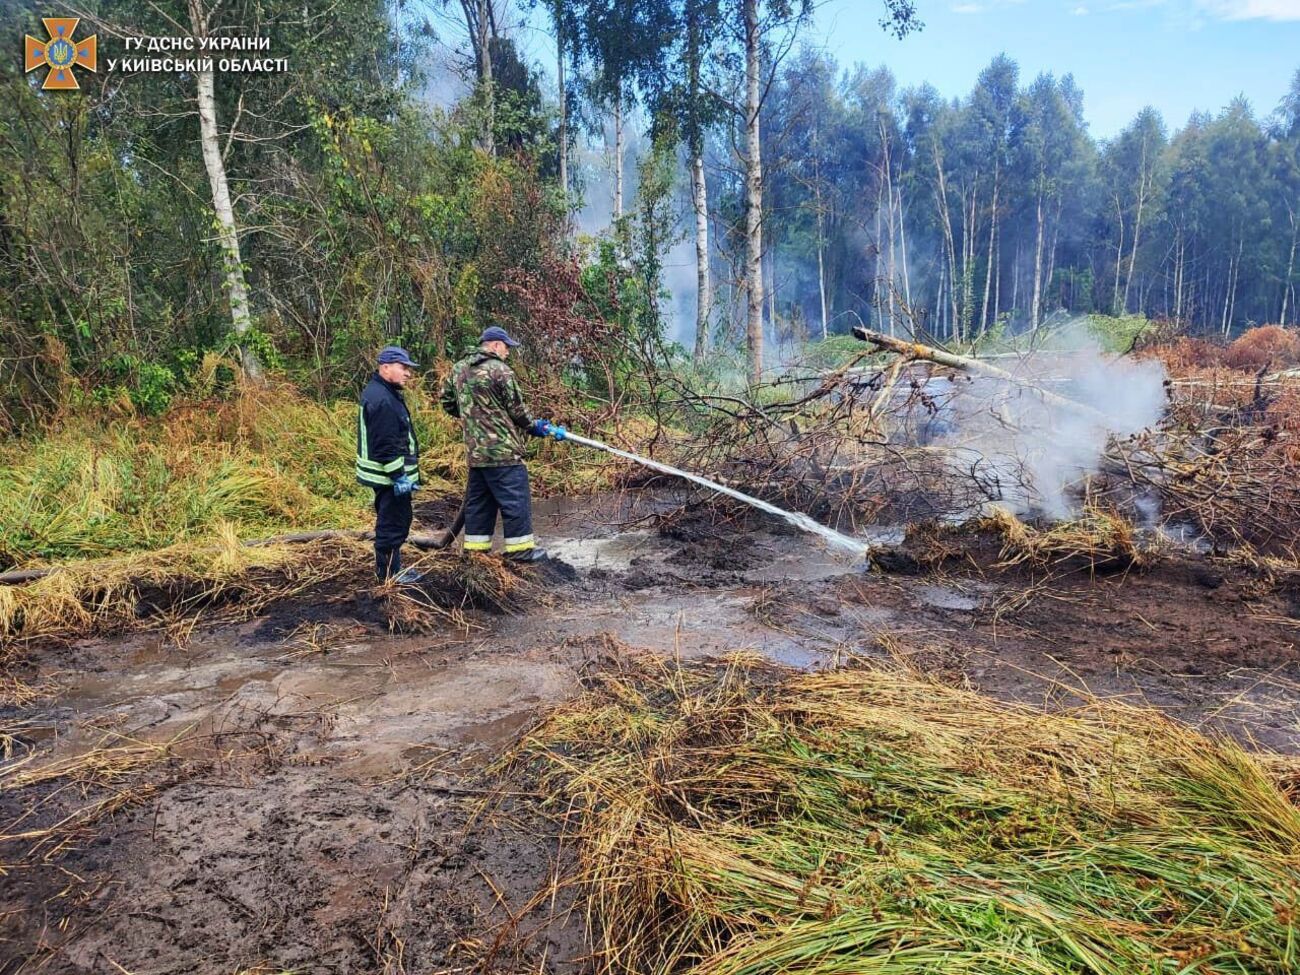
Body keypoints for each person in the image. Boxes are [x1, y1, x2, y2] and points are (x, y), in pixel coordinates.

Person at [439, 325, 562, 562]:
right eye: (507, 348)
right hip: (503, 453)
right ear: (495, 345)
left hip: (476, 453)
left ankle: (476, 554)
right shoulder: (500, 370)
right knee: (515, 501)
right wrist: (535, 426)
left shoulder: (459, 369)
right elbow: (518, 411)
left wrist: (473, 415)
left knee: (479, 503)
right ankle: (521, 552)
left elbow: (447, 402)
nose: (508, 353)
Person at [356, 345, 422, 581]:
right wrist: (399, 477)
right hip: (388, 478)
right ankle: (388, 575)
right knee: (392, 524)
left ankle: (393, 569)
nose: (408, 373)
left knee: (397, 520)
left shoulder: (385, 393)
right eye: (403, 367)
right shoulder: (382, 399)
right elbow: (385, 444)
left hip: (389, 477)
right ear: (386, 367)